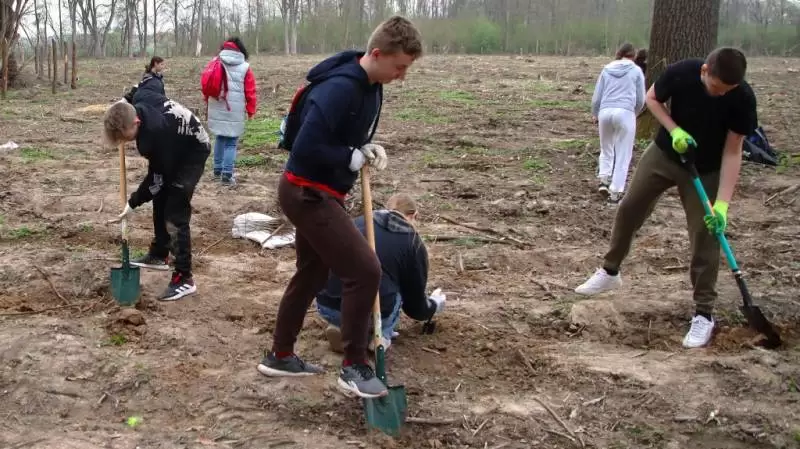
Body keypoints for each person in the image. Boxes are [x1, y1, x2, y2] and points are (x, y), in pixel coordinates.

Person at [255, 15, 423, 400]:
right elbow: (305, 146)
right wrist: (348, 156)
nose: (401, 76)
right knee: (365, 270)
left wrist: (363, 149)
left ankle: (280, 355)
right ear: (377, 54)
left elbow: (342, 134)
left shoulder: (371, 86)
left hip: (322, 191)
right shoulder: (340, 88)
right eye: (399, 67)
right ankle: (353, 366)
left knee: (312, 274)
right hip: (305, 192)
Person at [574, 47, 757, 349]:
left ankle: (704, 314)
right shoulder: (683, 72)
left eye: (728, 90)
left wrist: (722, 204)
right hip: (664, 155)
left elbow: (733, 151)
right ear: (704, 71)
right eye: (717, 88)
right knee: (630, 209)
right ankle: (609, 271)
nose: (722, 94)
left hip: (707, 169)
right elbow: (651, 99)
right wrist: (674, 130)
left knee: (705, 235)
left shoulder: (742, 98)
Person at [103, 84, 211, 301]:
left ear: (136, 122)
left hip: (193, 151)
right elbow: (147, 83)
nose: (122, 140)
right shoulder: (140, 97)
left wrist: (133, 202)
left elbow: (156, 179)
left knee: (175, 209)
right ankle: (159, 254)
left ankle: (184, 277)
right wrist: (124, 100)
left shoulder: (152, 137)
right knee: (160, 199)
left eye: (124, 135)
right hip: (174, 144)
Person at [315, 193, 446, 353]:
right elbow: (414, 306)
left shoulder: (357, 223)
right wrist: (433, 305)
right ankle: (381, 335)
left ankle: (340, 327)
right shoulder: (413, 243)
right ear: (414, 215)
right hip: (371, 314)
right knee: (398, 290)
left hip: (327, 305)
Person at [590, 42, 646, 205]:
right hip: (625, 111)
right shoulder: (636, 71)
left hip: (605, 111)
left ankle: (604, 179)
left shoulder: (606, 69)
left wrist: (595, 113)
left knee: (606, 147)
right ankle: (615, 193)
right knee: (623, 153)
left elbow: (597, 96)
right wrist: (634, 112)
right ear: (633, 56)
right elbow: (641, 98)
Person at [206, 37, 258, 187]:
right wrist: (251, 110)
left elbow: (207, 83)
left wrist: (207, 103)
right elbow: (250, 91)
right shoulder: (245, 67)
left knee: (220, 137)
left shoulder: (215, 62)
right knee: (231, 142)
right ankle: (227, 175)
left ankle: (217, 171)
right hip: (234, 109)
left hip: (217, 104)